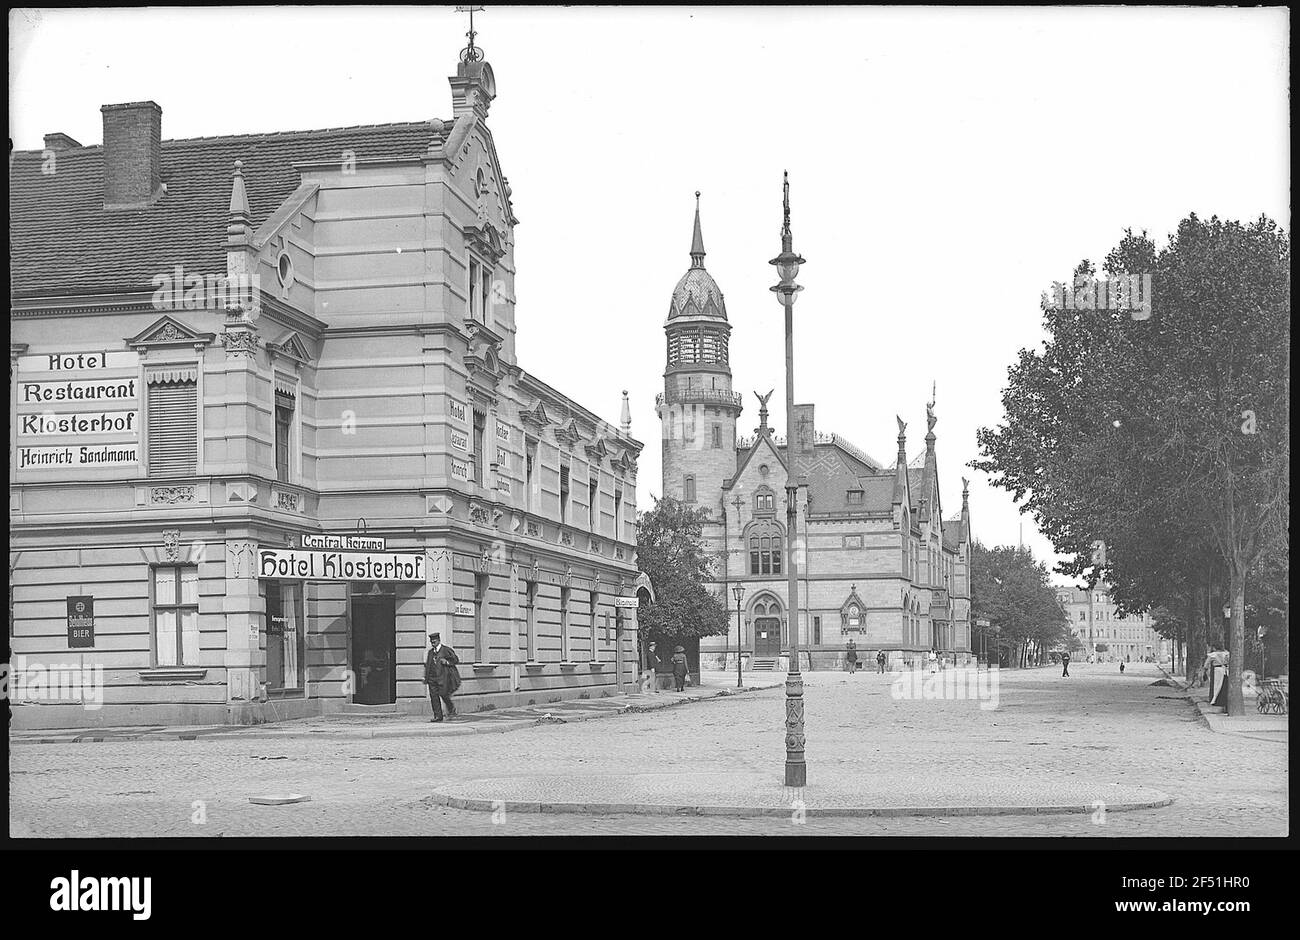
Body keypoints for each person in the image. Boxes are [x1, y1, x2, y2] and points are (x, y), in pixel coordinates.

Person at [424, 632, 461, 722]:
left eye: (435, 641)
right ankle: (438, 716)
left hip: (443, 677)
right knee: (434, 697)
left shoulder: (446, 650)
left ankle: (451, 708)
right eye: (431, 642)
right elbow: (428, 665)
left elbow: (456, 660)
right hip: (432, 678)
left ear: (439, 641)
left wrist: (447, 662)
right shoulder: (430, 652)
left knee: (444, 694)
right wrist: (426, 677)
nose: (433, 643)